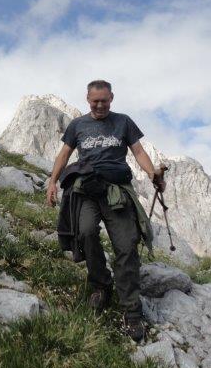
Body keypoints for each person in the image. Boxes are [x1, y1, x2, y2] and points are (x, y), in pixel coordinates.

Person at [46, 80, 165, 341]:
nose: (99, 105)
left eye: (104, 101)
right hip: (87, 190)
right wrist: (52, 182)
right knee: (86, 233)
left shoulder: (124, 122)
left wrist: (151, 173)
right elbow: (64, 154)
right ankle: (101, 284)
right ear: (87, 99)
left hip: (116, 191)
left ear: (111, 98)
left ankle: (131, 311)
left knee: (126, 245)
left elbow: (138, 151)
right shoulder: (78, 125)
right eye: (95, 101)